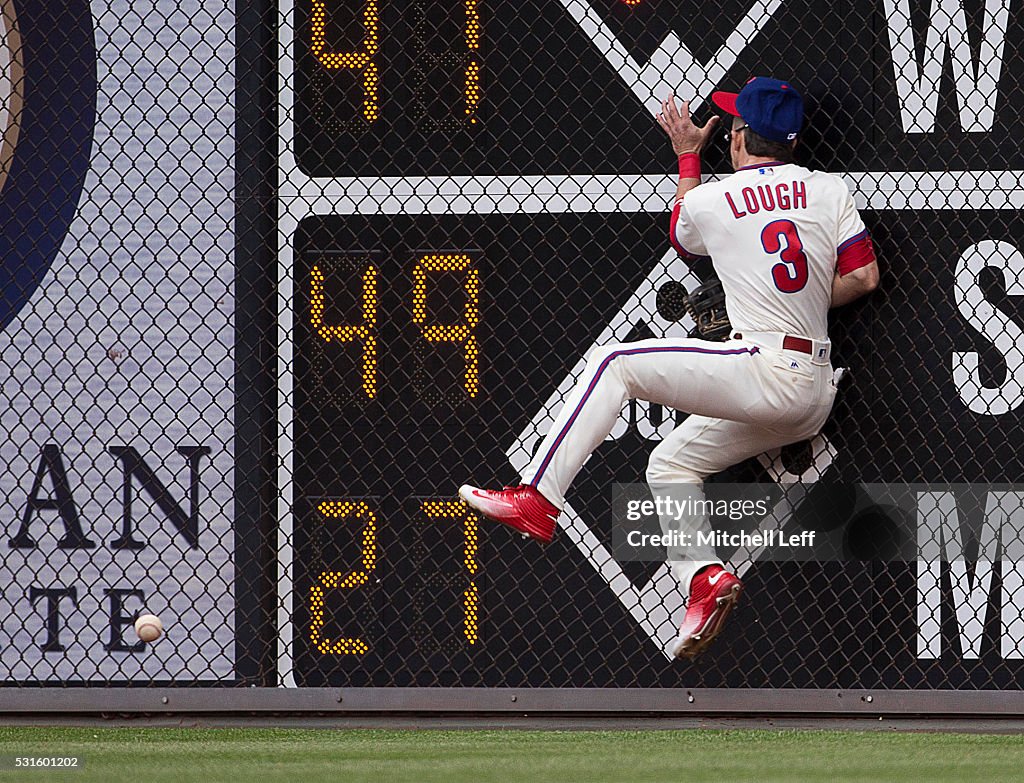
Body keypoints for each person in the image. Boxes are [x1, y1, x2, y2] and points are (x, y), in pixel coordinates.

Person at [460, 77, 879, 659]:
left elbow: (685, 241)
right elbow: (863, 278)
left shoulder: (712, 199)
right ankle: (702, 578)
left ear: (738, 140)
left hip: (761, 367)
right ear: (791, 142)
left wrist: (687, 153)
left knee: (615, 361)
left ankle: (538, 498)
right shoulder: (829, 191)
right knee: (671, 462)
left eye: (733, 128)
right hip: (813, 390)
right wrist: (799, 304)